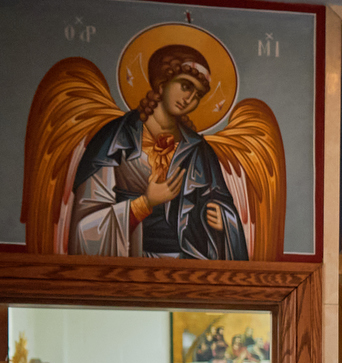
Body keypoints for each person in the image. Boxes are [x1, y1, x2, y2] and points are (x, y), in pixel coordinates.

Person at [68, 45, 247, 259]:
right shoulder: (116, 138)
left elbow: (220, 204)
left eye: (198, 94)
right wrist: (145, 203)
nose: (190, 98)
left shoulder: (198, 150)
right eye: (185, 85)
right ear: (162, 83)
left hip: (188, 265)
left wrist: (224, 220)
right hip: (132, 261)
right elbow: (85, 227)